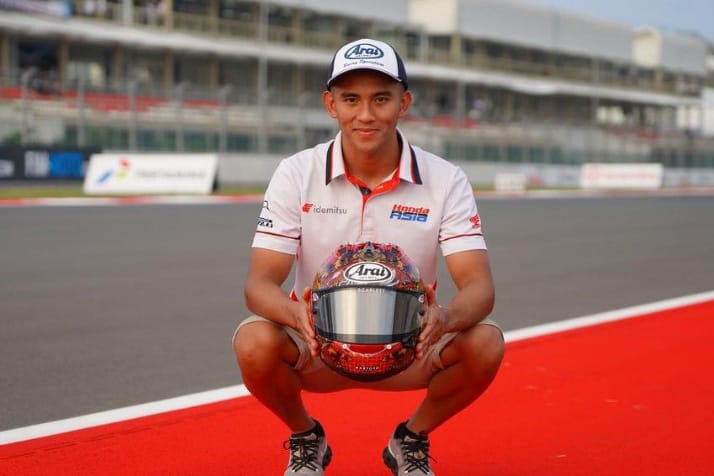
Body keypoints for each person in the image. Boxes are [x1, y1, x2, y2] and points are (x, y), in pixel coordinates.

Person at [233, 38, 504, 475]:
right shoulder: (296, 172)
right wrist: (296, 315)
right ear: (331, 104)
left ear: (403, 103)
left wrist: (445, 319)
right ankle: (306, 437)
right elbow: (258, 283)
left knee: (486, 343)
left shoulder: (445, 179)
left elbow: (479, 286)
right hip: (318, 344)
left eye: (381, 99)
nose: (365, 114)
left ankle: (410, 440)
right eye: (351, 99)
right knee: (253, 342)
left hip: (411, 345)